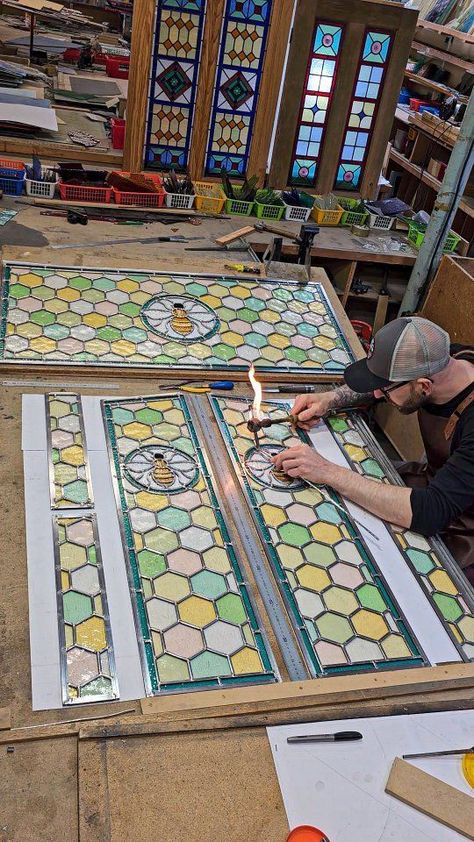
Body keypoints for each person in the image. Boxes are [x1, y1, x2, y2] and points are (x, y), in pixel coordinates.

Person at [272, 316, 474, 583]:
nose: (377, 395)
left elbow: (430, 512)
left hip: (463, 528)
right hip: (438, 483)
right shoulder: (448, 356)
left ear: (425, 386)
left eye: (384, 389)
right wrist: (330, 399)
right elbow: (392, 383)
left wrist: (328, 472)